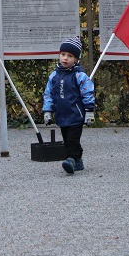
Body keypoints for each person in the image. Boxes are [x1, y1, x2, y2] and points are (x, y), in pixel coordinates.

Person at [42, 36, 96, 175]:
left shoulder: (80, 76)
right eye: (63, 54)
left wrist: (89, 111)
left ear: (76, 59)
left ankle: (71, 160)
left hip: (76, 114)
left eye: (70, 56)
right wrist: (48, 110)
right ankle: (78, 161)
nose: (65, 58)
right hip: (62, 114)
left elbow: (87, 93)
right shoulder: (54, 76)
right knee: (67, 139)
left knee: (73, 139)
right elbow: (49, 93)